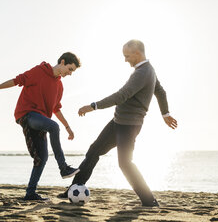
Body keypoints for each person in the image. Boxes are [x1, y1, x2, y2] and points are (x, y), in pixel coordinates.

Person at [58, 40, 178, 206]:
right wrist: (165, 113)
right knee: (94, 151)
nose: (125, 59)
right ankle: (73, 189)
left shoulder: (143, 73)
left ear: (137, 53)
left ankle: (149, 201)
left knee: (125, 163)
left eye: (127, 56)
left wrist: (93, 106)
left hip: (129, 126)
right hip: (118, 122)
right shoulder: (147, 70)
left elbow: (122, 95)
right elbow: (160, 92)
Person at [0, 52, 81, 201]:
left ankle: (30, 193)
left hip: (41, 120)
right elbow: (17, 80)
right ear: (62, 62)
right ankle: (63, 168)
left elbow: (56, 108)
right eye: (70, 69)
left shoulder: (59, 86)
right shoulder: (39, 71)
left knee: (42, 158)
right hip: (27, 114)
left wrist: (68, 127)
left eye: (72, 71)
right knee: (54, 127)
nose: (70, 73)